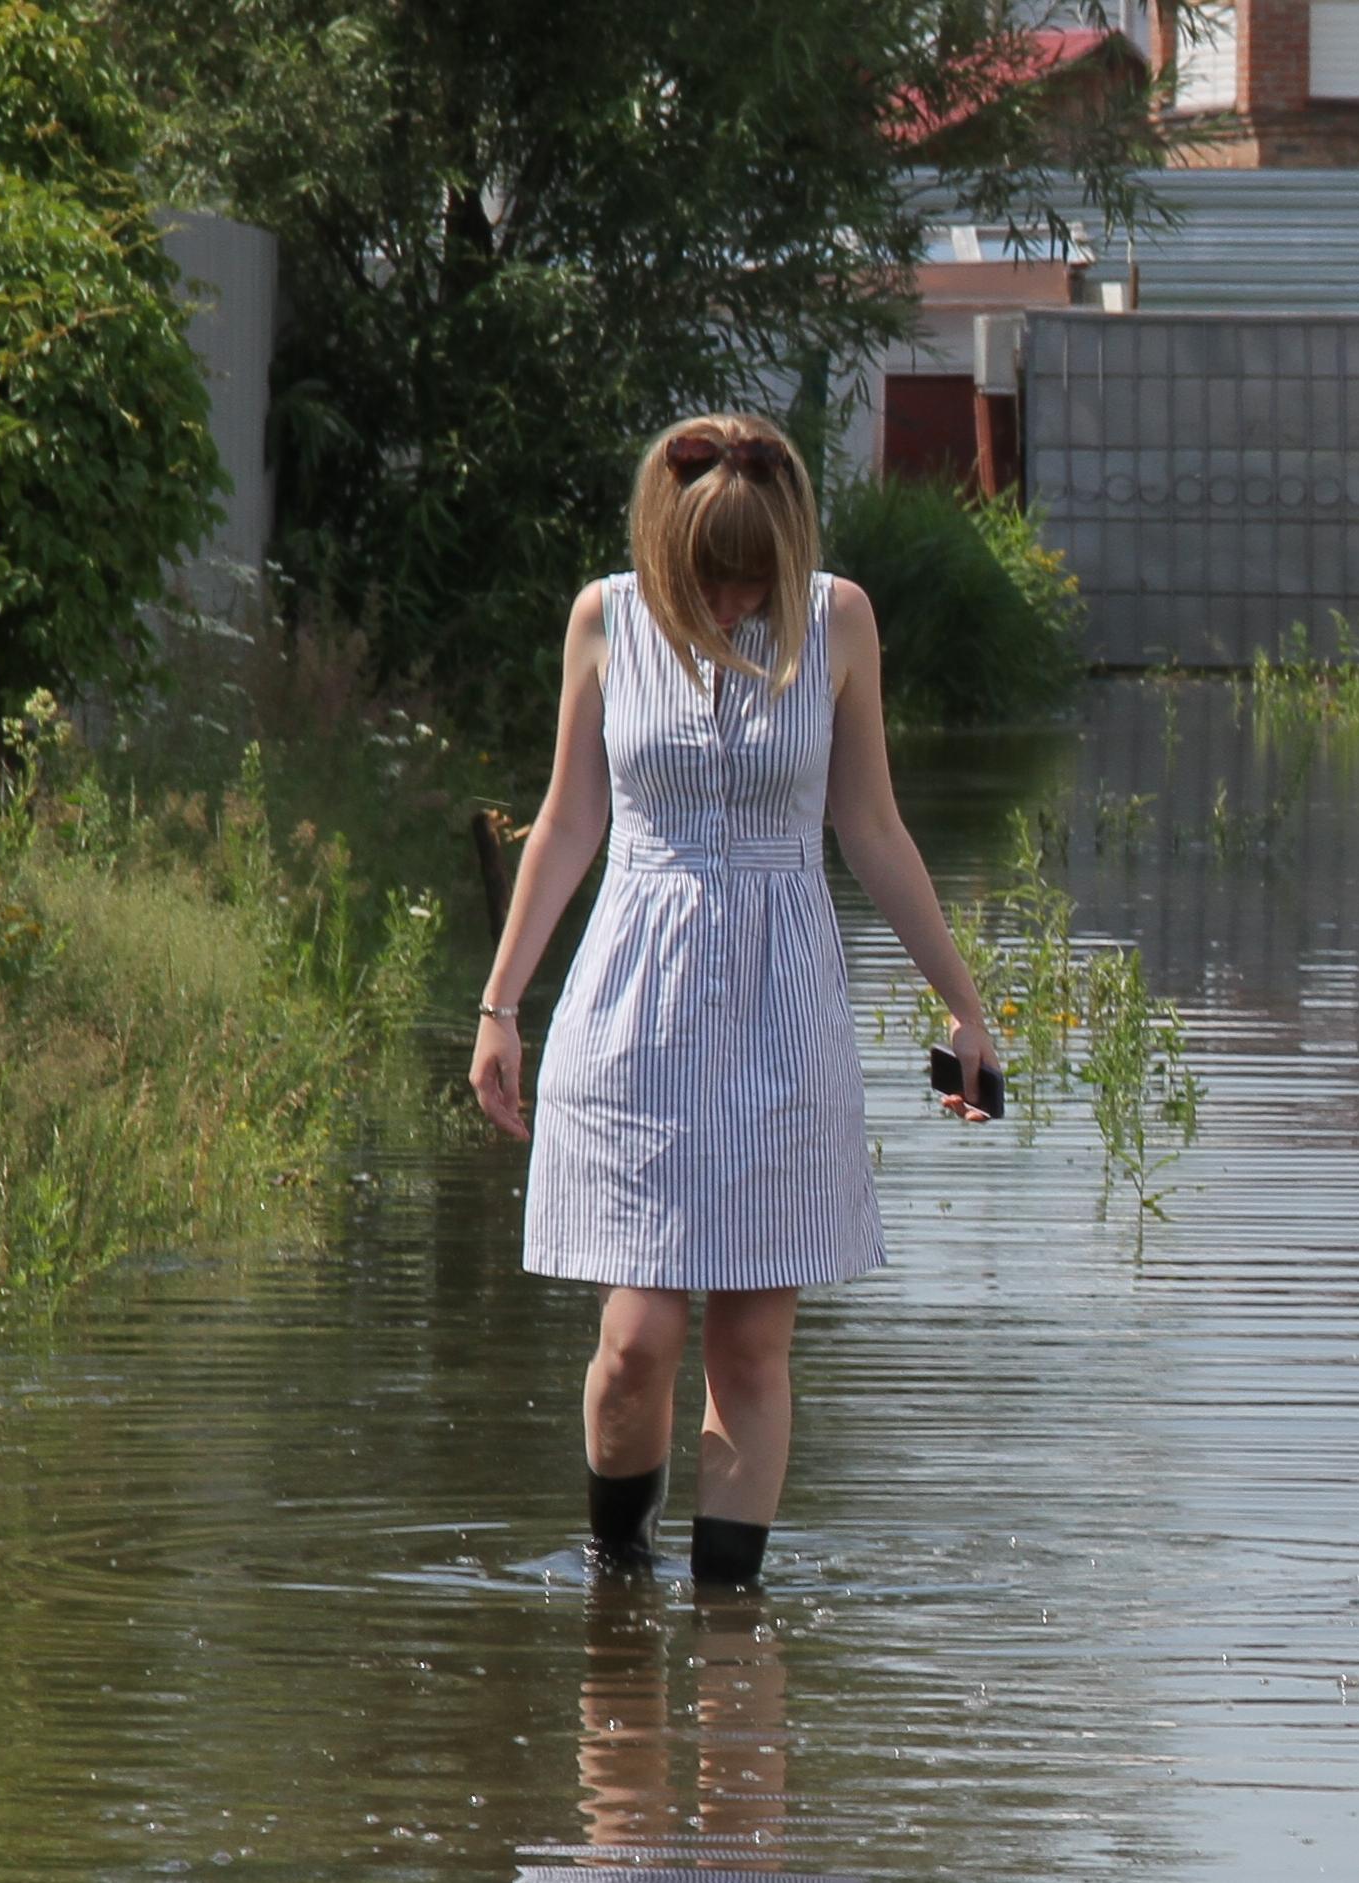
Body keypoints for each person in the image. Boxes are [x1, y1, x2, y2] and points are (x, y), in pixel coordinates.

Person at [469, 412, 1002, 1590]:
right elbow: (569, 822)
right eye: (712, 576)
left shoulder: (839, 621)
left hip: (783, 996)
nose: (734, 600)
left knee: (752, 1343)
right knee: (636, 1340)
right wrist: (501, 1004)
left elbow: (871, 825)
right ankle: (616, 1579)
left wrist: (965, 1011)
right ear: (668, 553)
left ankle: (728, 1618)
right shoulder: (605, 619)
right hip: (633, 1000)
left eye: (756, 576)